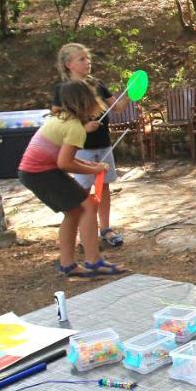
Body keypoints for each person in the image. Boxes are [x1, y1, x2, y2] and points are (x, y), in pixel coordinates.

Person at [18, 80, 128, 278]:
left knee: (75, 211)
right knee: (88, 206)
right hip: (41, 173)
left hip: (35, 172)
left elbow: (65, 158)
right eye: (95, 98)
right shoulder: (75, 128)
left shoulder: (62, 119)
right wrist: (91, 170)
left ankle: (68, 264)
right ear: (87, 102)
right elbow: (64, 163)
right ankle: (93, 261)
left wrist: (91, 166)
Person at [51, 43, 125, 247]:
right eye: (82, 59)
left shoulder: (98, 84)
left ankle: (105, 229)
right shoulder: (62, 89)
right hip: (79, 147)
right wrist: (83, 126)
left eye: (88, 58)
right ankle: (86, 233)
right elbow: (57, 115)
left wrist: (131, 92)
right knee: (83, 191)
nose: (87, 62)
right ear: (69, 64)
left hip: (103, 143)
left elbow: (117, 107)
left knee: (104, 187)